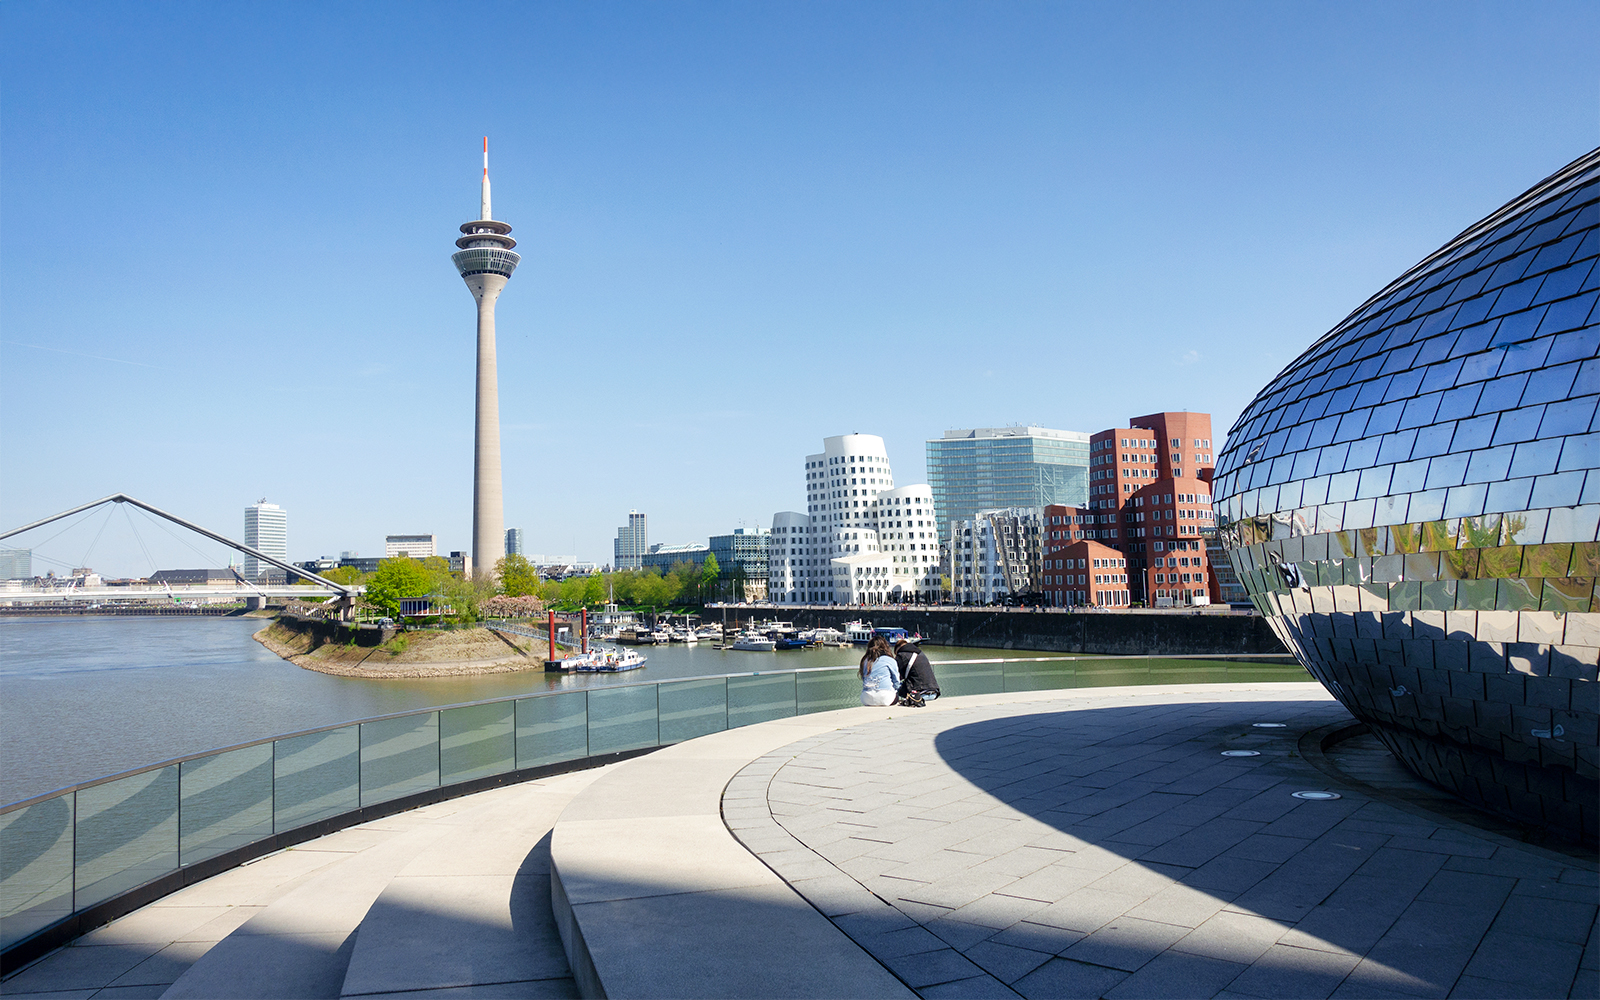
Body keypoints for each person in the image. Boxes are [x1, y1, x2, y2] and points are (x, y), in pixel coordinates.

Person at [894, 637, 940, 705]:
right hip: (934, 693)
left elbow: (896, 677)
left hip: (919, 695)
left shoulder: (901, 655)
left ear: (898, 649)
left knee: (893, 684)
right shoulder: (920, 653)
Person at [858, 635, 900, 707]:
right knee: (896, 695)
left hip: (866, 698)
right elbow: (896, 682)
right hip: (885, 698)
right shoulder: (890, 660)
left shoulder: (865, 661)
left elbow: (864, 678)